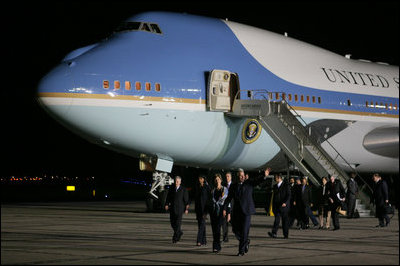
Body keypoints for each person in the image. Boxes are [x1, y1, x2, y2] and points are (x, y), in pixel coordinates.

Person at [223, 168, 270, 256]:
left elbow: (257, 181)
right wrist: (224, 208)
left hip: (247, 211)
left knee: (245, 231)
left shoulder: (249, 183)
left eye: (243, 175)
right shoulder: (233, 186)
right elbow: (228, 198)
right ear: (237, 177)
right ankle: (246, 241)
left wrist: (264, 175)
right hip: (237, 212)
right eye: (240, 176)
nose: (242, 177)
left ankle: (241, 251)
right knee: (235, 230)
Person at [165, 176, 190, 243]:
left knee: (178, 224)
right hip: (172, 208)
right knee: (172, 223)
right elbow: (168, 197)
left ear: (180, 182)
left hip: (180, 209)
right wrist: (166, 204)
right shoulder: (171, 188)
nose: (176, 182)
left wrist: (186, 209)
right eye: (175, 181)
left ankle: (175, 238)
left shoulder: (183, 189)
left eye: (177, 181)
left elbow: (186, 200)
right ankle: (179, 232)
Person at [268, 173, 291, 239]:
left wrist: (285, 202)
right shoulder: (275, 186)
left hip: (284, 206)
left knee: (284, 221)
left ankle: (285, 235)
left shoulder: (286, 185)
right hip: (277, 206)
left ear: (279, 178)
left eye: (275, 177)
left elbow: (289, 195)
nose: (274, 178)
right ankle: (274, 233)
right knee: (276, 220)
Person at [210, 174, 229, 253]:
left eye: (218, 179)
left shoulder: (225, 189)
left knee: (218, 228)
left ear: (221, 180)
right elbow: (210, 201)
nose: (217, 181)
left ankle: (216, 246)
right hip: (214, 211)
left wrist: (226, 211)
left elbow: (227, 202)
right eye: (216, 180)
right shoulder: (213, 190)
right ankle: (216, 246)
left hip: (221, 211)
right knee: (214, 229)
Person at [194, 175, 211, 246]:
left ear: (204, 179)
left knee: (201, 224)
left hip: (204, 209)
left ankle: (199, 240)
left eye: (201, 178)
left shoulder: (207, 187)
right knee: (201, 225)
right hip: (198, 209)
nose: (200, 180)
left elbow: (209, 198)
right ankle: (204, 241)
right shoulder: (197, 187)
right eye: (199, 178)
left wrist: (207, 210)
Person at [222, 172, 233, 243]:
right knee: (224, 223)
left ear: (231, 177)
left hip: (233, 207)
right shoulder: (224, 186)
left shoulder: (234, 186)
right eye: (226, 176)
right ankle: (225, 237)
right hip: (226, 206)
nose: (227, 178)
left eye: (228, 176)